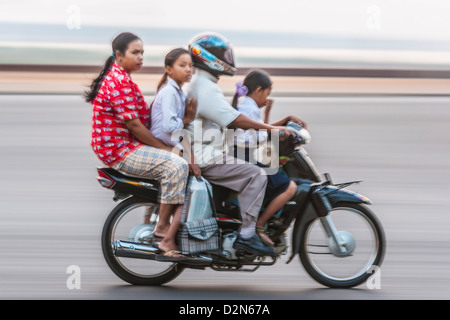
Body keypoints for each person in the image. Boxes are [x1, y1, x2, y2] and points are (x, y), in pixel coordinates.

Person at [186, 32, 292, 256]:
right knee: (256, 175)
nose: (228, 59)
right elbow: (236, 120)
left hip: (206, 151)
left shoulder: (203, 83)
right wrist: (274, 129)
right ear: (208, 57)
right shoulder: (205, 87)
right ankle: (247, 234)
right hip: (206, 156)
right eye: (223, 55)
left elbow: (232, 118)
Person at [85, 32, 188, 257]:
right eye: (135, 52)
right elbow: (135, 126)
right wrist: (167, 149)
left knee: (171, 164)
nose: (140, 57)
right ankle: (162, 231)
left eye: (142, 52)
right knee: (176, 166)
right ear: (118, 55)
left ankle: (152, 219)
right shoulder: (118, 81)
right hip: (120, 149)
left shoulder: (123, 77)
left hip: (126, 145)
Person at [230, 69, 308, 246]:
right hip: (246, 157)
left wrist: (285, 119)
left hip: (242, 155)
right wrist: (281, 132)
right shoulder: (248, 107)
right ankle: (259, 224)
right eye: (267, 94)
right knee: (289, 188)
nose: (266, 99)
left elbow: (260, 128)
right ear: (258, 90)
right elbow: (262, 134)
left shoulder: (245, 104)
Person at [149, 48, 201, 178]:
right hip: (162, 143)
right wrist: (187, 119)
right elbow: (169, 126)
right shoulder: (169, 92)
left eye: (190, 65)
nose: (188, 69)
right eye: (182, 65)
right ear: (169, 69)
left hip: (171, 142)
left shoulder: (178, 93)